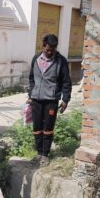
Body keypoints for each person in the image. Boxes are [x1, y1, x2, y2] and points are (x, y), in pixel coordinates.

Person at [27, 34, 72, 167]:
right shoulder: (35, 59)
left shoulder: (61, 61)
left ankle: (45, 154)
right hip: (36, 99)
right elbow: (31, 78)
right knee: (37, 127)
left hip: (51, 100)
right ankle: (39, 153)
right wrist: (31, 93)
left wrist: (65, 100)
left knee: (48, 128)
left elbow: (66, 82)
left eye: (52, 50)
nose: (50, 53)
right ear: (43, 46)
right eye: (47, 50)